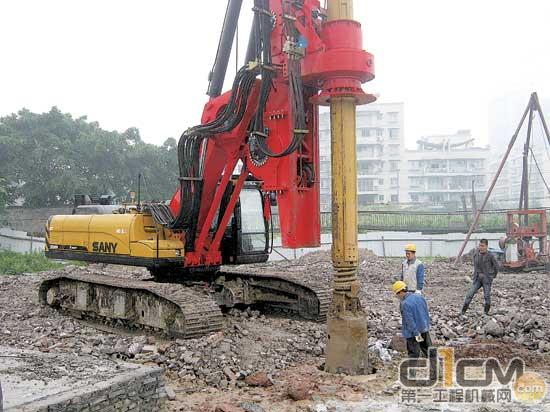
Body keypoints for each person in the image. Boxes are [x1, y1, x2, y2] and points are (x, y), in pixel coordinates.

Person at [392, 281, 434, 360]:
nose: (397, 296)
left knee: (413, 355)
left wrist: (416, 334)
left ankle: (411, 372)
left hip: (413, 333)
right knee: (429, 351)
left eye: (397, 294)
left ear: (400, 292)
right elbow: (425, 313)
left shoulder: (404, 304)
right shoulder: (419, 297)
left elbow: (409, 321)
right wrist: (426, 327)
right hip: (424, 329)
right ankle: (438, 369)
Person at [461, 238, 499, 316]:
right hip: (477, 279)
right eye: (480, 245)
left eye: (482, 246)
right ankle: (462, 312)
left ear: (486, 246)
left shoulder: (490, 256)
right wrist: (474, 275)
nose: (480, 247)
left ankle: (485, 313)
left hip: (486, 279)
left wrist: (492, 276)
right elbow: (475, 266)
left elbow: (496, 267)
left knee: (487, 296)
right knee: (469, 294)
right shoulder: (476, 255)